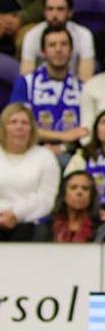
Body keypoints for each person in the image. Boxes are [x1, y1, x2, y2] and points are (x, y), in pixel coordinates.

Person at [11, 23, 85, 154]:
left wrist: (62, 147)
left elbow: (85, 131)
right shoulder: (26, 83)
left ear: (71, 50)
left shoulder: (82, 87)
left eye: (64, 44)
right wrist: (63, 136)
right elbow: (16, 126)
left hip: (71, 153)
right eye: (52, 45)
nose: (58, 49)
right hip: (31, 150)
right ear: (43, 52)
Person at [0, 102, 58, 240]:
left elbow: (46, 198)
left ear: (32, 128)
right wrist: (3, 215)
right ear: (3, 127)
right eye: (13, 122)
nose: (19, 127)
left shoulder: (45, 156)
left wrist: (16, 214)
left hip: (32, 224)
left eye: (24, 123)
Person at [51, 169, 97, 242]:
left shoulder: (100, 226)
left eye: (85, 188)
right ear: (64, 196)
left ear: (91, 196)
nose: (79, 192)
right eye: (74, 188)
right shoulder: (48, 226)